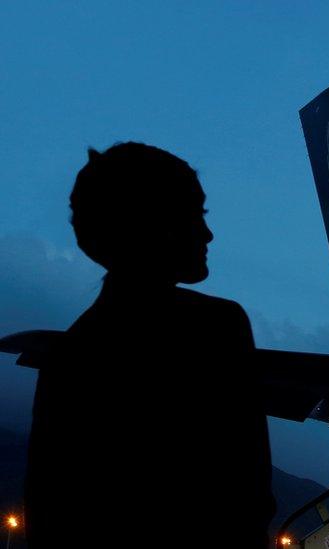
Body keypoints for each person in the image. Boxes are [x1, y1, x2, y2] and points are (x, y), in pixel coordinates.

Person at [24, 143, 274, 547]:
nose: (208, 232)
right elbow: (248, 489)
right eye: (196, 215)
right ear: (157, 227)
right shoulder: (217, 326)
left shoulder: (67, 357)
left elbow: (47, 513)